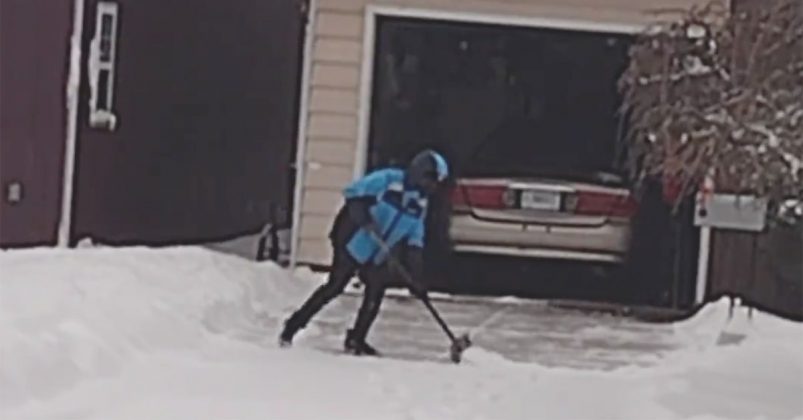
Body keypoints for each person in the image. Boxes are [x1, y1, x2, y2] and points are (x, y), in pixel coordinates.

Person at [279, 149, 450, 355]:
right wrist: (365, 220)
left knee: (375, 291)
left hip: (377, 250)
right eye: (430, 179)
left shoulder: (420, 203)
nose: (432, 187)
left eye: (436, 183)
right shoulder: (387, 180)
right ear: (419, 171)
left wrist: (417, 277)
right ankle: (293, 326)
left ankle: (356, 339)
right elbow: (354, 195)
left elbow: (415, 238)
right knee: (335, 286)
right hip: (352, 240)